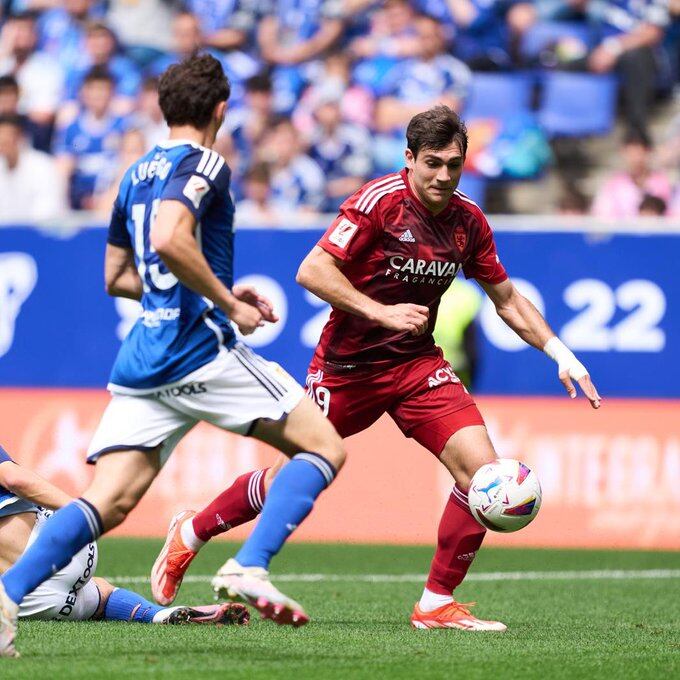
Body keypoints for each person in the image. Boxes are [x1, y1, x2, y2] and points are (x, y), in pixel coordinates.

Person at [150, 106, 601, 632]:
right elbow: (311, 270)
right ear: (408, 159)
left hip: (416, 365)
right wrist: (380, 311)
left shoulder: (468, 220)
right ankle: (192, 532)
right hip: (346, 366)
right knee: (293, 474)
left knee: (482, 472)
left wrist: (560, 352)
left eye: (454, 164)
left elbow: (506, 298)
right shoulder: (379, 202)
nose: (443, 176)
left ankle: (436, 603)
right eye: (432, 163)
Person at [0, 53, 346, 659]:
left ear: (164, 108)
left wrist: (201, 283)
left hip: (141, 358)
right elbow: (167, 236)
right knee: (324, 447)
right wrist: (224, 302)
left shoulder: (134, 172)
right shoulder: (207, 160)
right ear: (220, 109)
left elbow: (117, 275)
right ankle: (250, 565)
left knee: (106, 502)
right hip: (195, 347)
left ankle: (4, 601)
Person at [0, 445, 249, 627]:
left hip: (32, 602)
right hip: (59, 552)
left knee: (99, 598)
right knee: (102, 593)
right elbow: (15, 479)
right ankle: (157, 613)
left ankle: (157, 615)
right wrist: (81, 516)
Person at [0, 113, 67, 222]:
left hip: (37, 234)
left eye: (6, 139)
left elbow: (47, 213)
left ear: (19, 137)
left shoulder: (43, 167)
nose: (2, 144)